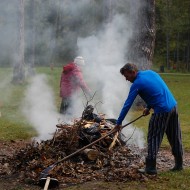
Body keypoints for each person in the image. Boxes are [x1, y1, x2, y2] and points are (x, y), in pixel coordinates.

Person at [114, 63, 183, 175]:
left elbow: (127, 104)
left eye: (127, 76)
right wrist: (148, 107)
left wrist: (118, 123)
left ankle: (150, 168)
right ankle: (179, 164)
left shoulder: (137, 83)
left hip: (162, 110)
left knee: (153, 137)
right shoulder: (151, 73)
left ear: (133, 72)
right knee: (175, 136)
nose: (126, 79)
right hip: (173, 107)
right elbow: (157, 91)